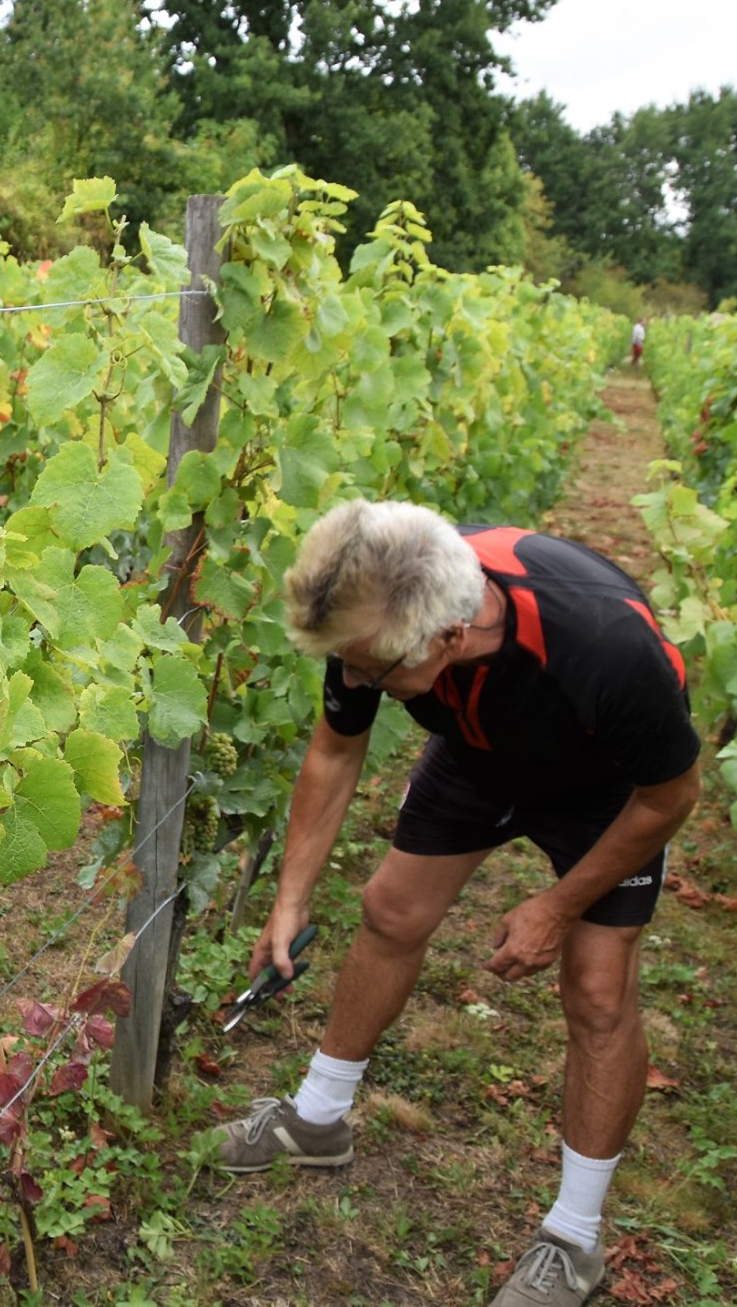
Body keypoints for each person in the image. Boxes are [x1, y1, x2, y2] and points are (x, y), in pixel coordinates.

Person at [208, 501, 701, 1307]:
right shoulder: (379, 606)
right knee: (391, 908)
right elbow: (335, 749)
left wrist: (557, 905)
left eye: (374, 671)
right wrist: (289, 899)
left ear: (450, 638)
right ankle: (318, 1119)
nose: (359, 681)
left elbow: (671, 795)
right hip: (477, 758)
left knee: (598, 990)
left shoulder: (606, 650)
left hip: (606, 787)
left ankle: (573, 1241)